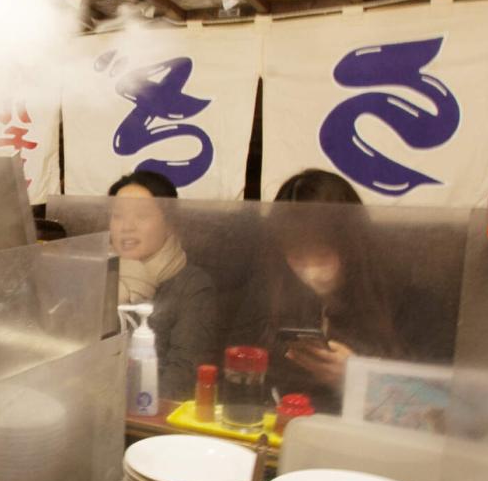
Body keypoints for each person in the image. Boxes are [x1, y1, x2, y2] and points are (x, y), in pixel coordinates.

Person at [234, 169, 418, 411]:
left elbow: (432, 408)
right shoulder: (270, 289)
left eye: (321, 255)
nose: (311, 272)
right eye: (297, 256)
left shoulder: (402, 300)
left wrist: (356, 378)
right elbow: (235, 370)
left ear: (351, 245)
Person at [108, 171, 220, 403]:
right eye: (117, 216)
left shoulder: (193, 284)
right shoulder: (101, 273)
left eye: (141, 216)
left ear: (170, 224)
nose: (127, 226)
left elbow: (183, 376)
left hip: (149, 418)